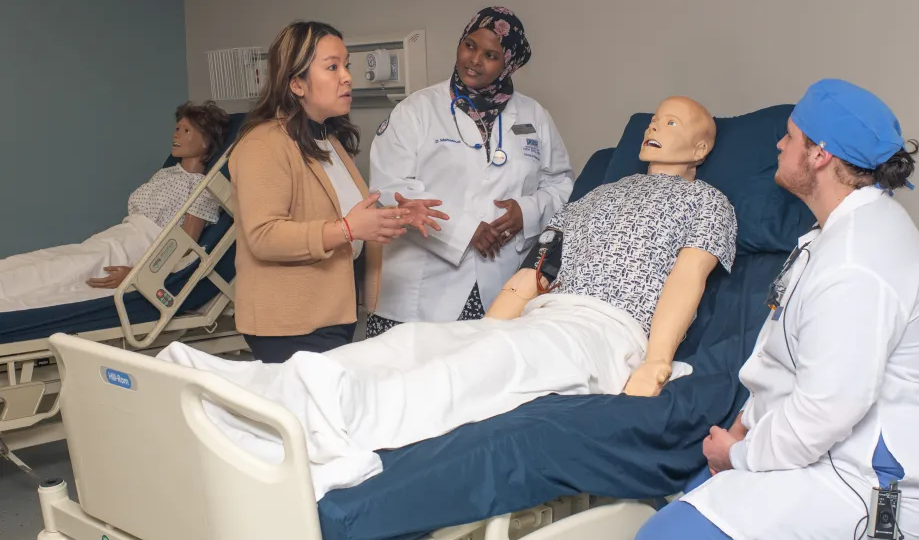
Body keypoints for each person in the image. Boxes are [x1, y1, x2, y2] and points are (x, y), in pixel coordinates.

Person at [160, 96, 737, 498]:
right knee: (420, 342)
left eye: (674, 121)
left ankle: (312, 425)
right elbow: (535, 275)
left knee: (473, 368)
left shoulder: (706, 203)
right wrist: (487, 327)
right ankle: (252, 389)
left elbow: (685, 283)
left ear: (702, 145)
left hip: (603, 331)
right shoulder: (594, 199)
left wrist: (656, 363)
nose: (655, 126)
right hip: (537, 317)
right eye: (654, 117)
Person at [632, 79, 919, 540]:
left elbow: (825, 410)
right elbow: (784, 364)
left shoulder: (857, 262)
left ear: (819, 155)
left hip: (883, 487)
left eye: (790, 136)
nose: (779, 144)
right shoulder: (831, 237)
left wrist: (739, 457)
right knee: (698, 505)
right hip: (841, 456)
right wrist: (745, 425)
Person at [228, 20, 446, 364]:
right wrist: (345, 230)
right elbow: (264, 235)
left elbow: (343, 217)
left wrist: (396, 216)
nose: (346, 76)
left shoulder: (327, 140)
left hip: (330, 313)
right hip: (287, 322)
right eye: (332, 67)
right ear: (297, 83)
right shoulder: (263, 145)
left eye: (346, 65)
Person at [365, 6, 575, 337]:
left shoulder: (534, 117)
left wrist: (527, 211)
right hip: (421, 295)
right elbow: (390, 191)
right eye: (470, 45)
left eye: (491, 55)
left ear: (508, 64)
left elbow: (561, 184)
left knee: (484, 379)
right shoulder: (415, 112)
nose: (474, 60)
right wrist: (464, 230)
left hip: (500, 285)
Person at [0, 101, 230, 312]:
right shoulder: (167, 173)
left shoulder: (202, 189)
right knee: (38, 261)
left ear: (206, 142)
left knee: (54, 274)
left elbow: (186, 248)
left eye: (186, 130)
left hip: (134, 252)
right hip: (113, 239)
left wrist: (138, 275)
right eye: (177, 129)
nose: (176, 134)